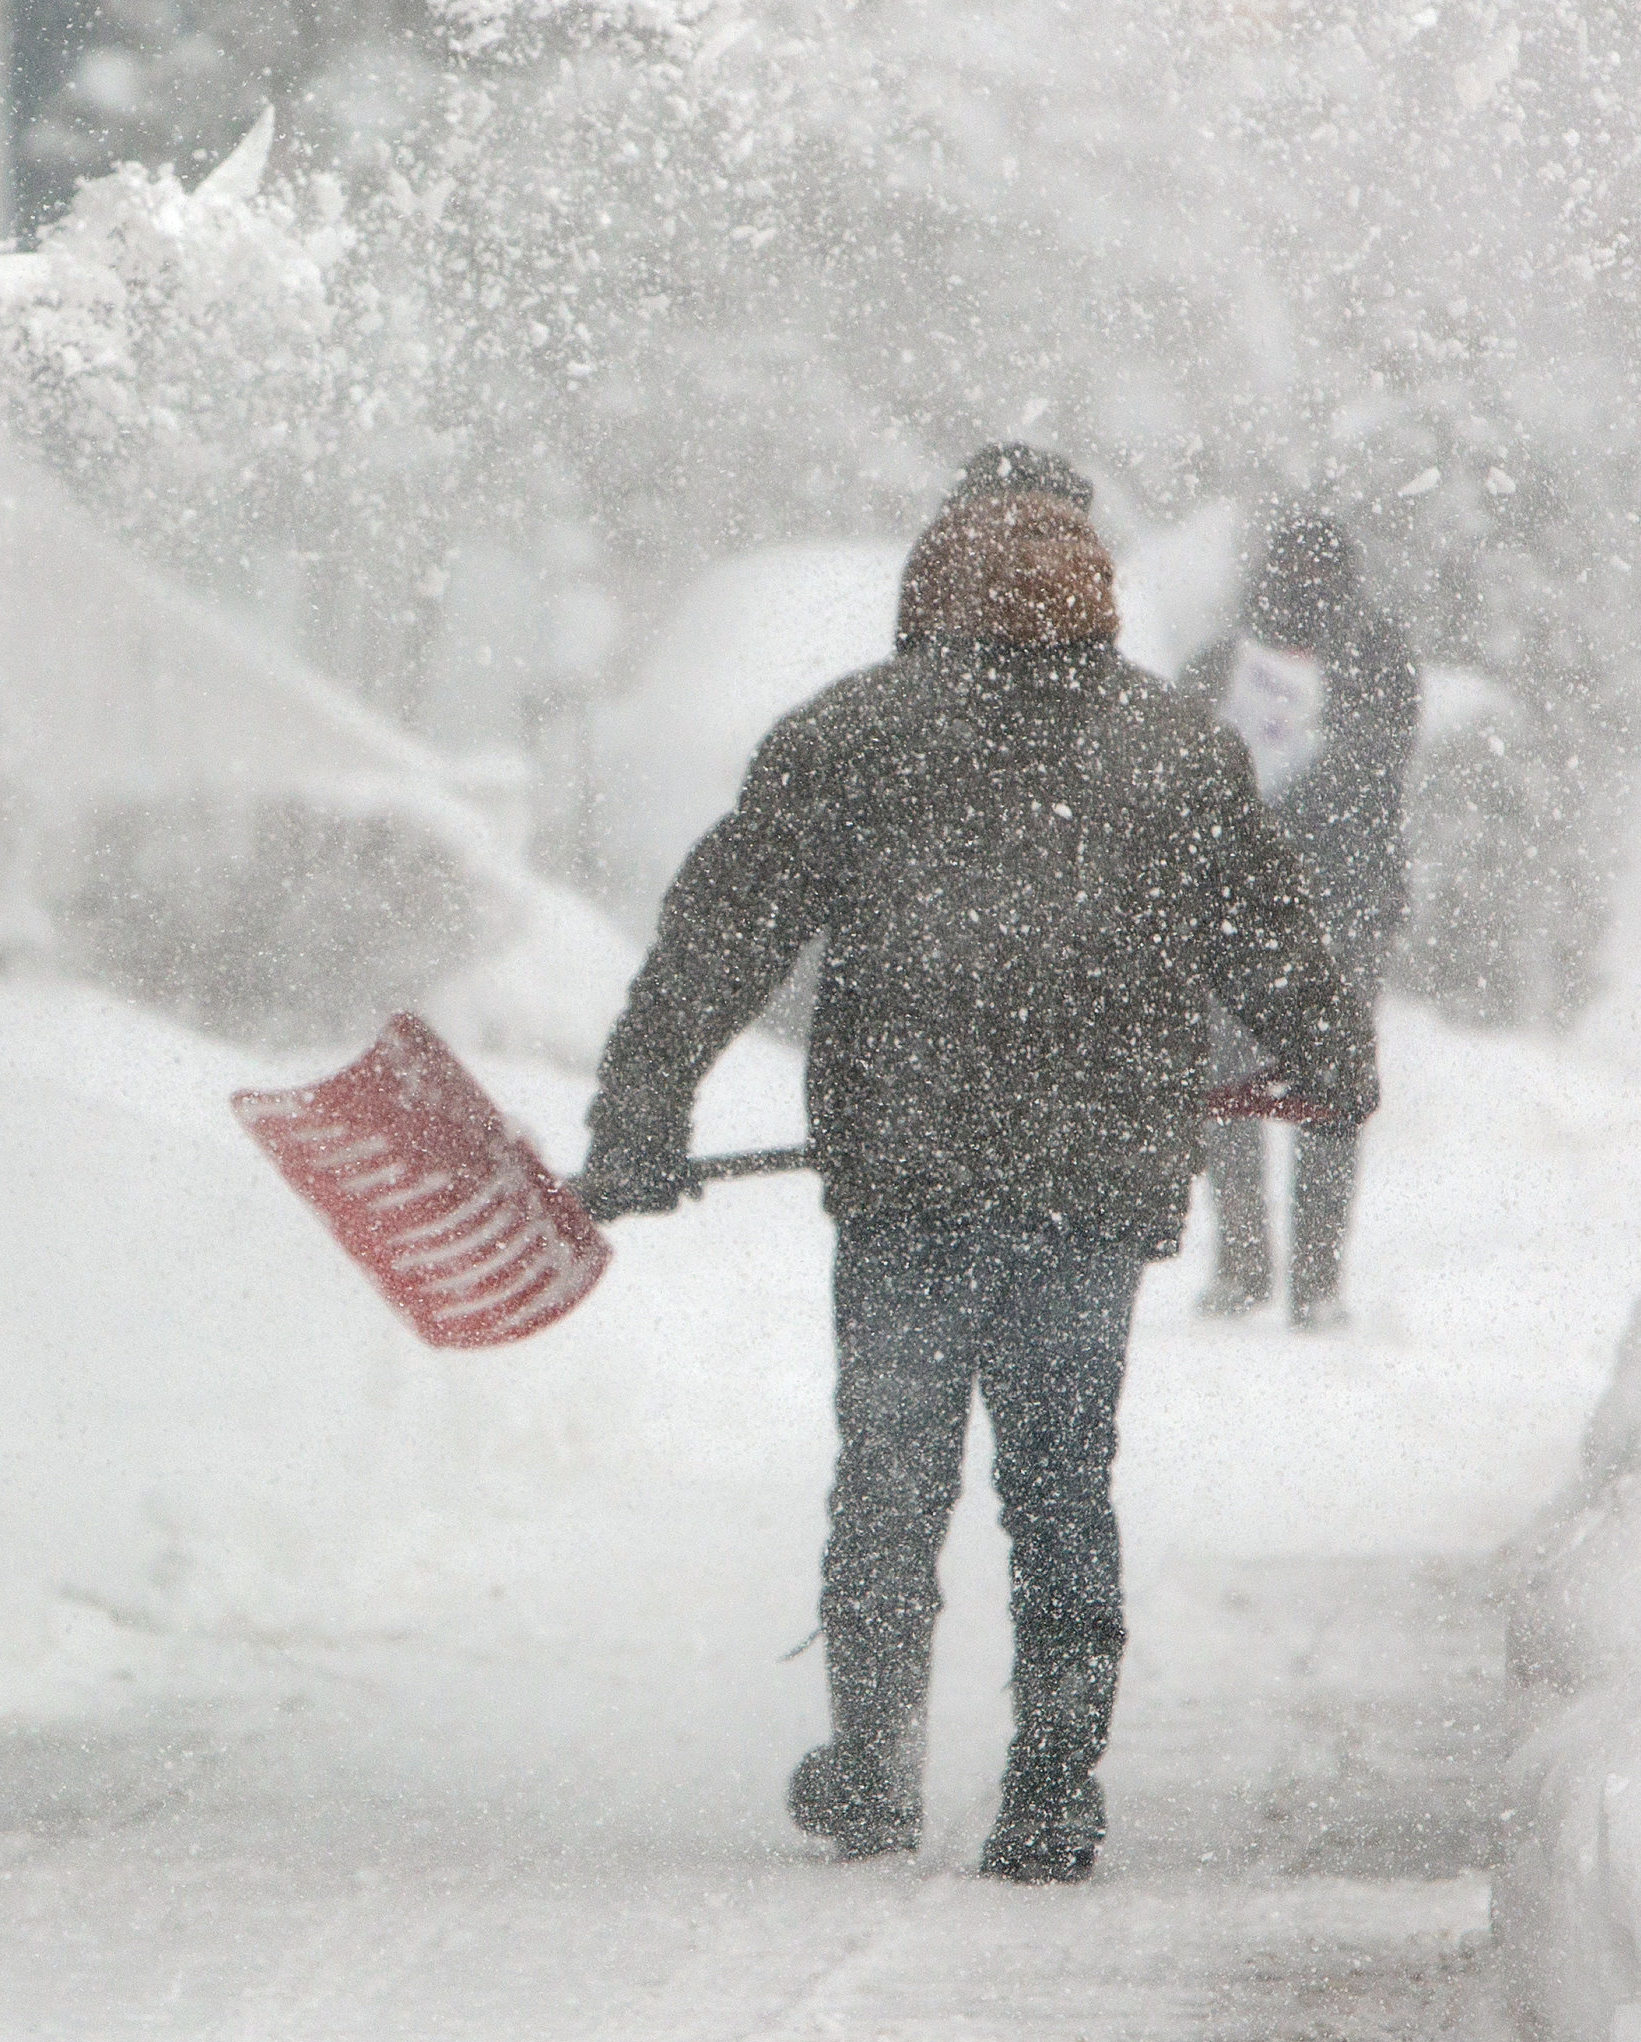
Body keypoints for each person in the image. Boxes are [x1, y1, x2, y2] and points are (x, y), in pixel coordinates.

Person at [571, 448, 1375, 1883]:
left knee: (891, 1477)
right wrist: (1332, 1062)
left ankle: (874, 1771)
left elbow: (717, 936)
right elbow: (1275, 934)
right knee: (1063, 1481)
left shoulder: (853, 736)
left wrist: (641, 1112)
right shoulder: (1176, 750)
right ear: (1095, 600)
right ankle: (1055, 1790)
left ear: (923, 593)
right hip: (1092, 1183)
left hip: (910, 1186)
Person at [1183, 506, 1418, 1328]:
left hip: (1266, 908)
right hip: (1328, 911)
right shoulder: (1375, 660)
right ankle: (1303, 1282)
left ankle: (1259, 1269)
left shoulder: (1230, 664)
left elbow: (1185, 771)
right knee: (1314, 1090)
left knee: (1241, 1087)